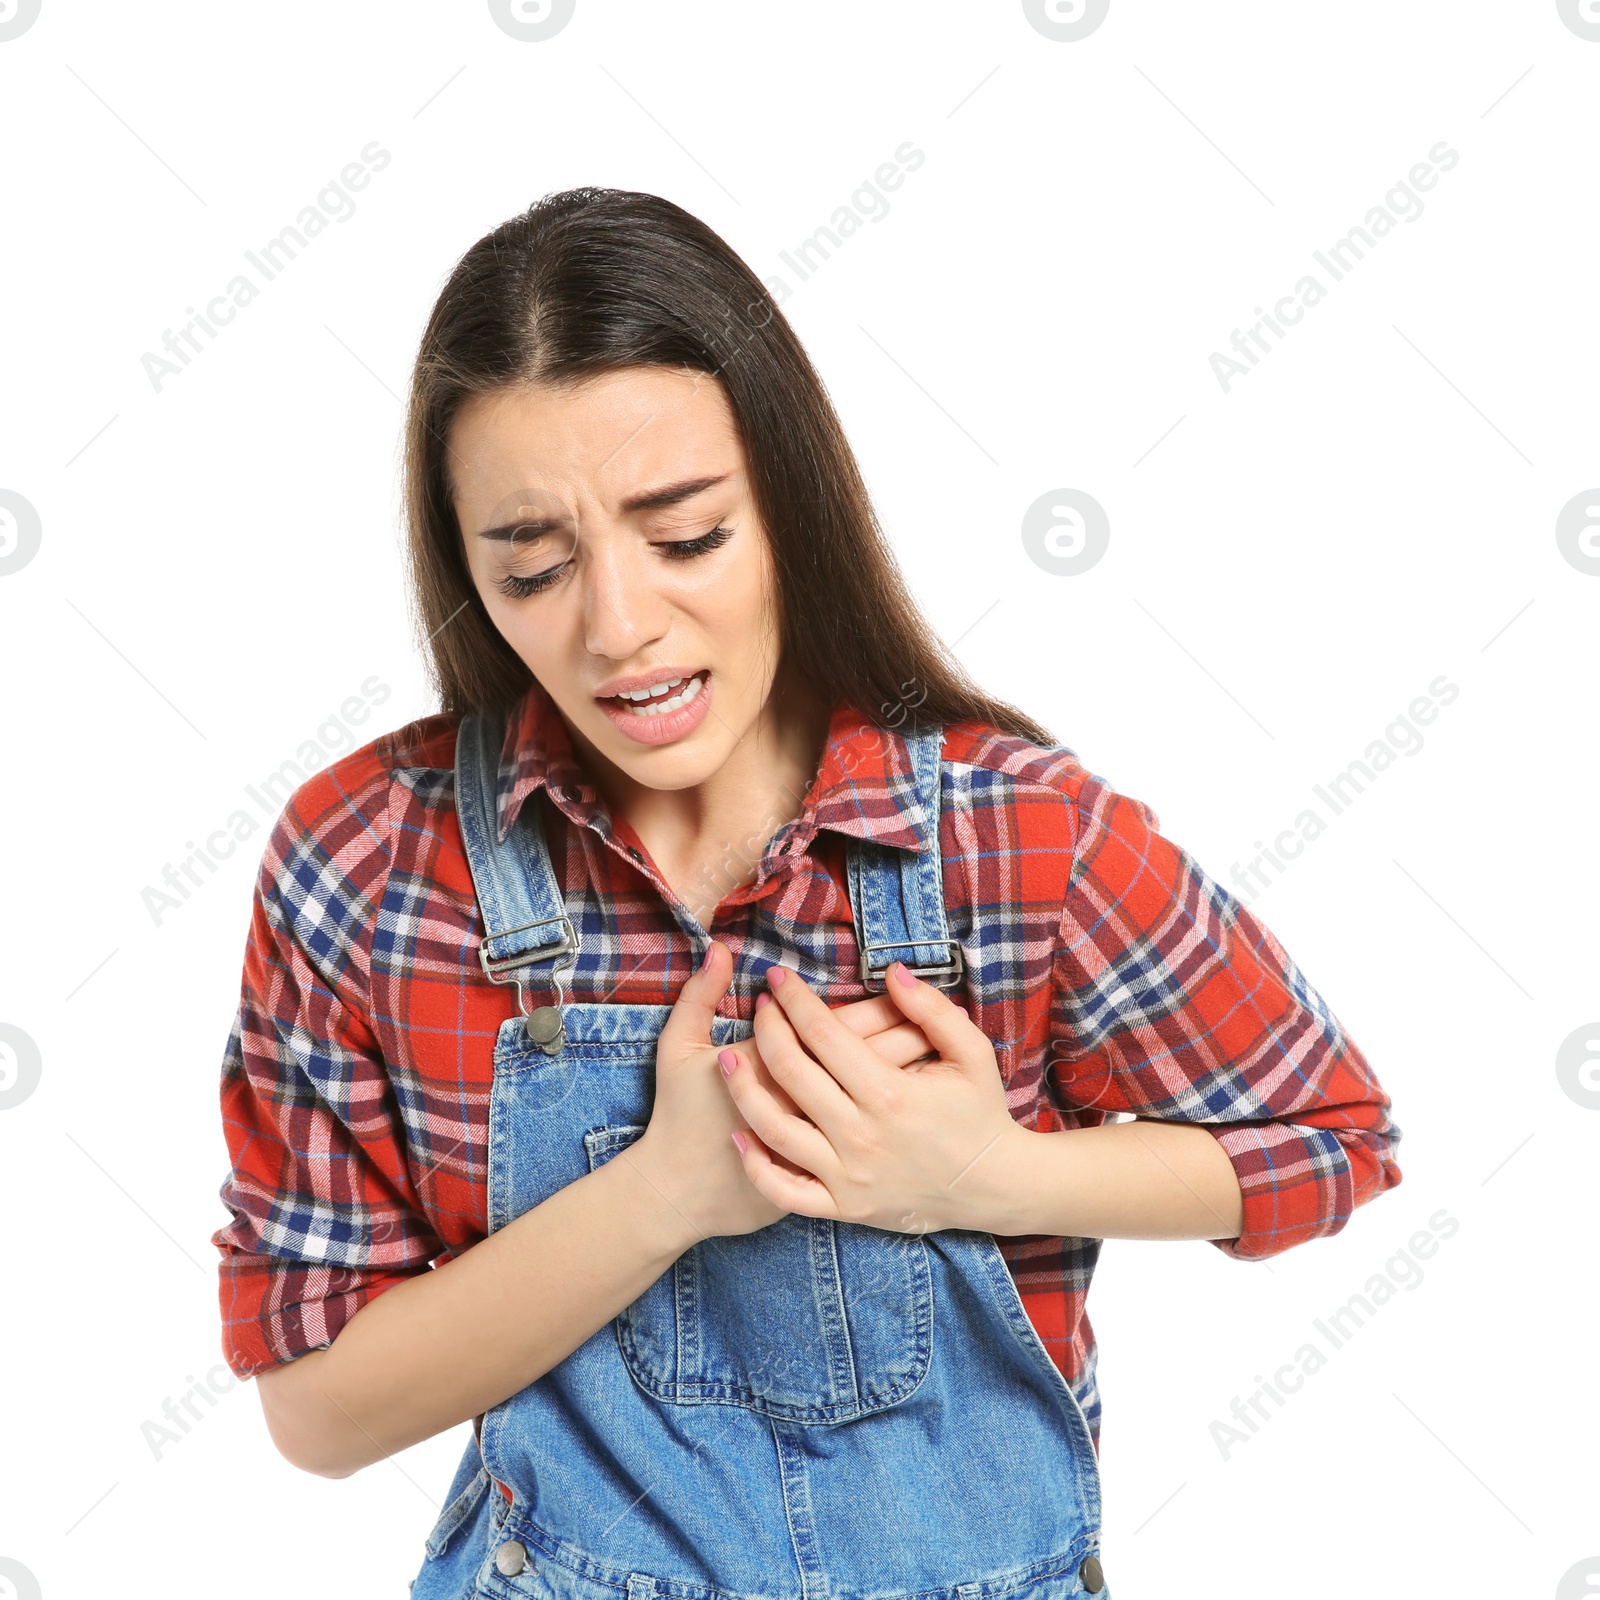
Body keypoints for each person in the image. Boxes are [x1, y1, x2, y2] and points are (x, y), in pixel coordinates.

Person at [210, 187, 1402, 1600]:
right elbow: (319, 1410)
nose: (618, 626)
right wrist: (660, 1194)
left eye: (687, 537)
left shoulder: (1009, 832)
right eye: (533, 565)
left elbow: (1332, 1140)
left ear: (788, 498)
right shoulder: (371, 863)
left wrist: (984, 1173)